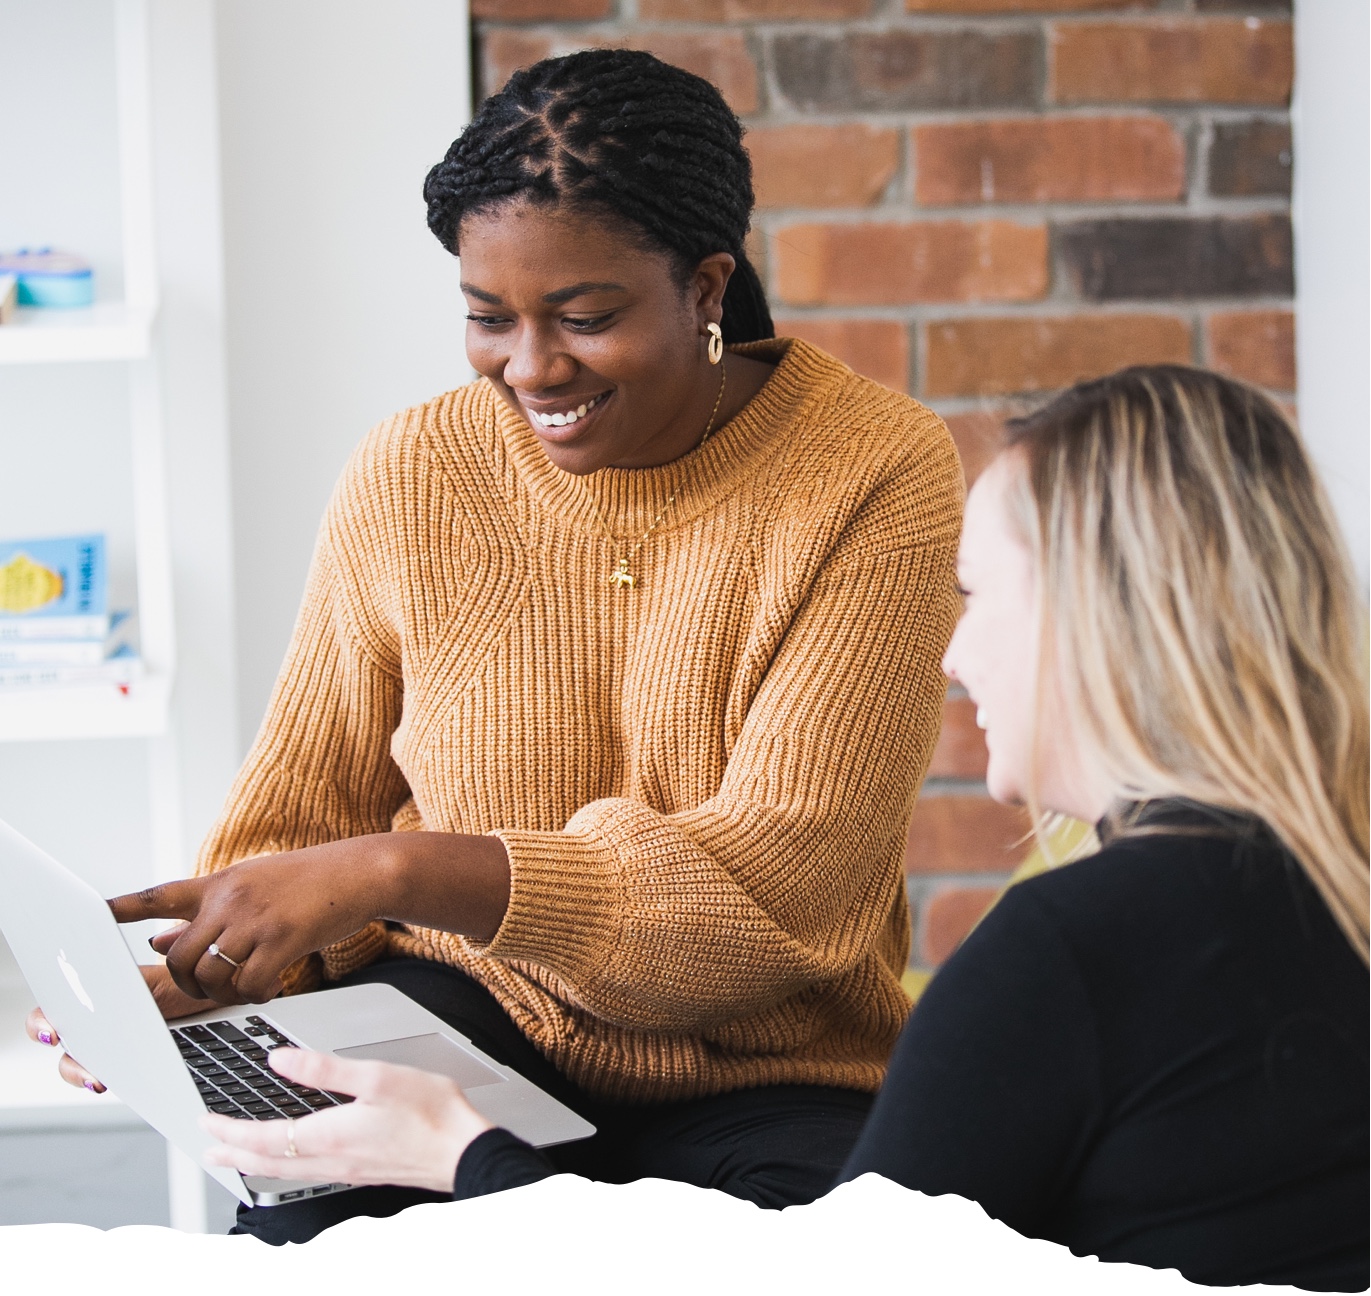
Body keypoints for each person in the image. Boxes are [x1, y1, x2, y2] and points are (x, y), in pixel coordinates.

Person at [28, 50, 963, 1242]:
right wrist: (220, 989)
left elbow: (772, 905)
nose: (530, 368)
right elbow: (294, 827)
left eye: (585, 317)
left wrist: (402, 869)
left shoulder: (873, 471)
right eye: (487, 318)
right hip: (452, 1026)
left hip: (766, 1075)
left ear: (707, 286)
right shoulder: (414, 471)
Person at [199, 367, 1367, 1292]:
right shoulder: (1331, 897)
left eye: (983, 598)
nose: (954, 656)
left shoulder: (1074, 953)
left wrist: (461, 1157)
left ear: (1100, 620)